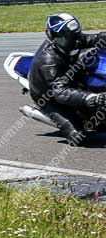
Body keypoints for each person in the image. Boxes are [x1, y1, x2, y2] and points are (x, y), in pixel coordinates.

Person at [28, 13, 106, 146]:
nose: (75, 42)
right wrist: (93, 98)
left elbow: (96, 38)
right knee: (78, 137)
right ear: (55, 37)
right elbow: (60, 93)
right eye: (68, 37)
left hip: (71, 76)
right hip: (49, 96)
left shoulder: (72, 40)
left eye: (75, 35)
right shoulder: (48, 61)